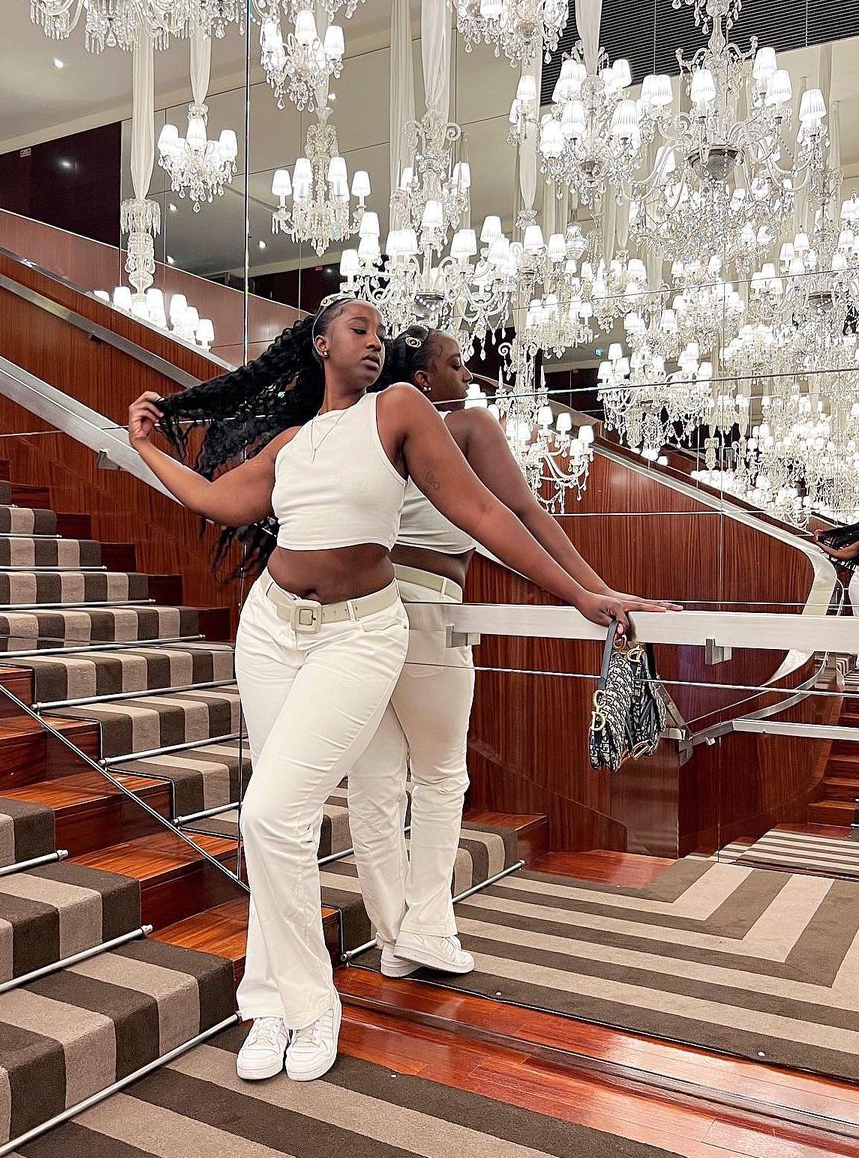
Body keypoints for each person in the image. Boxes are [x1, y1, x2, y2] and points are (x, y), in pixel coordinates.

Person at [127, 296, 668, 1085]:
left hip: (360, 633)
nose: (376, 342)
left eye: (382, 334)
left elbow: (485, 510)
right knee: (278, 826)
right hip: (270, 629)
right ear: (320, 344)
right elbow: (213, 499)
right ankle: (270, 1002)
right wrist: (143, 446)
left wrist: (582, 594)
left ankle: (313, 1005)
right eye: (360, 329)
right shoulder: (291, 443)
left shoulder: (400, 412)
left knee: (270, 813)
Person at [346, 325, 677, 981]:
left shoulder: (369, 427)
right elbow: (524, 513)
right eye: (456, 364)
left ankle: (393, 939)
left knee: (376, 782)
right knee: (440, 776)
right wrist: (594, 591)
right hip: (429, 609)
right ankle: (428, 928)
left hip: (362, 607)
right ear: (423, 380)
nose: (469, 376)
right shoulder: (466, 425)